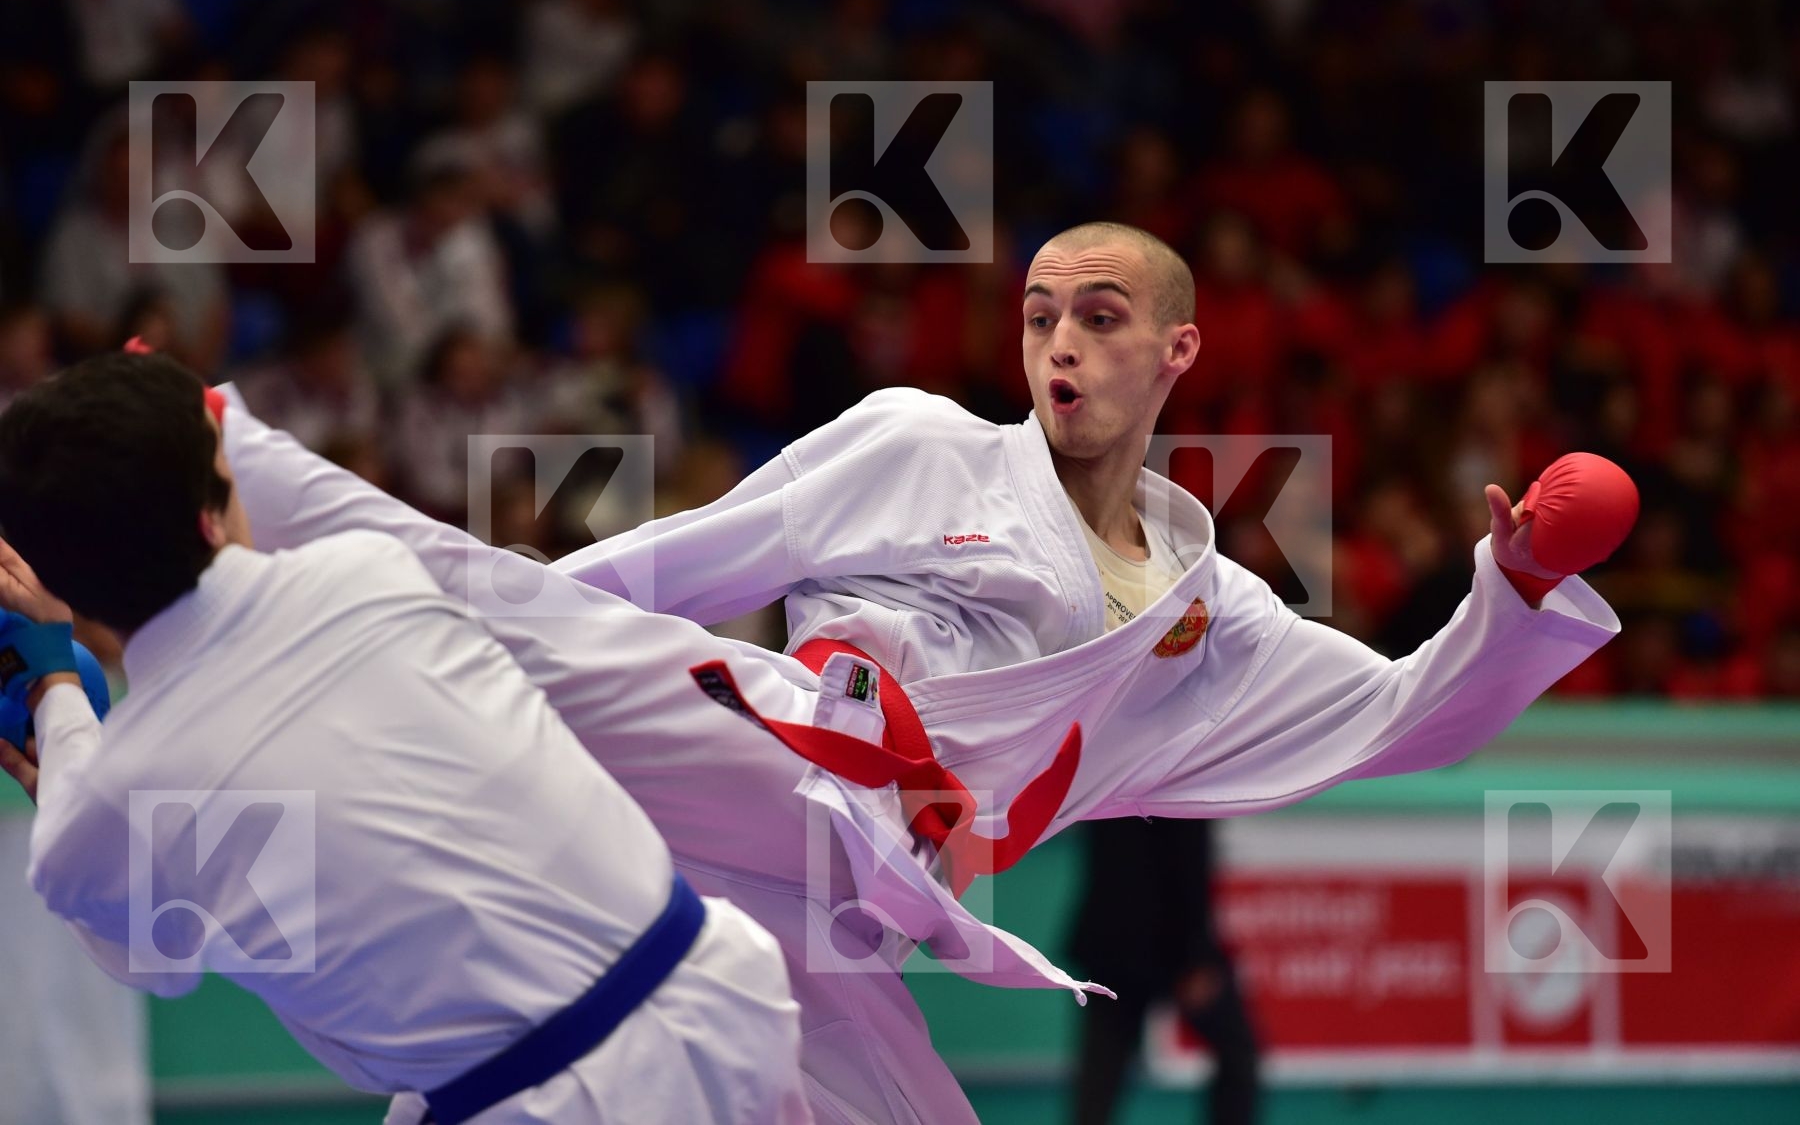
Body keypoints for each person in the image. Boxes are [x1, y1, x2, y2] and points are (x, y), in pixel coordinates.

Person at [205, 223, 1630, 1124]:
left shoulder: (1212, 616)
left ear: (1180, 347)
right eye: (1040, 312)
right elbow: (660, 570)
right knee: (512, 625)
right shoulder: (916, 442)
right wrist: (479, 663)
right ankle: (217, 456)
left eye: (1102, 315)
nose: (1060, 340)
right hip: (756, 757)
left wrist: (1507, 592)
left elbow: (1399, 717)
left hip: (854, 922)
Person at [0, 354, 810, 1125]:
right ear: (213, 513)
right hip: (729, 1001)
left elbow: (150, 953)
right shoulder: (370, 571)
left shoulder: (105, 806)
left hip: (547, 1102)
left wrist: (56, 691)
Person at [1068, 818, 1258, 1125]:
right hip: (1164, 945)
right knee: (1238, 1055)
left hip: (1110, 939)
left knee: (1098, 1082)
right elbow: (1187, 855)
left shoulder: (1108, 772)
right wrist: (1197, 956)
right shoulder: (1175, 774)